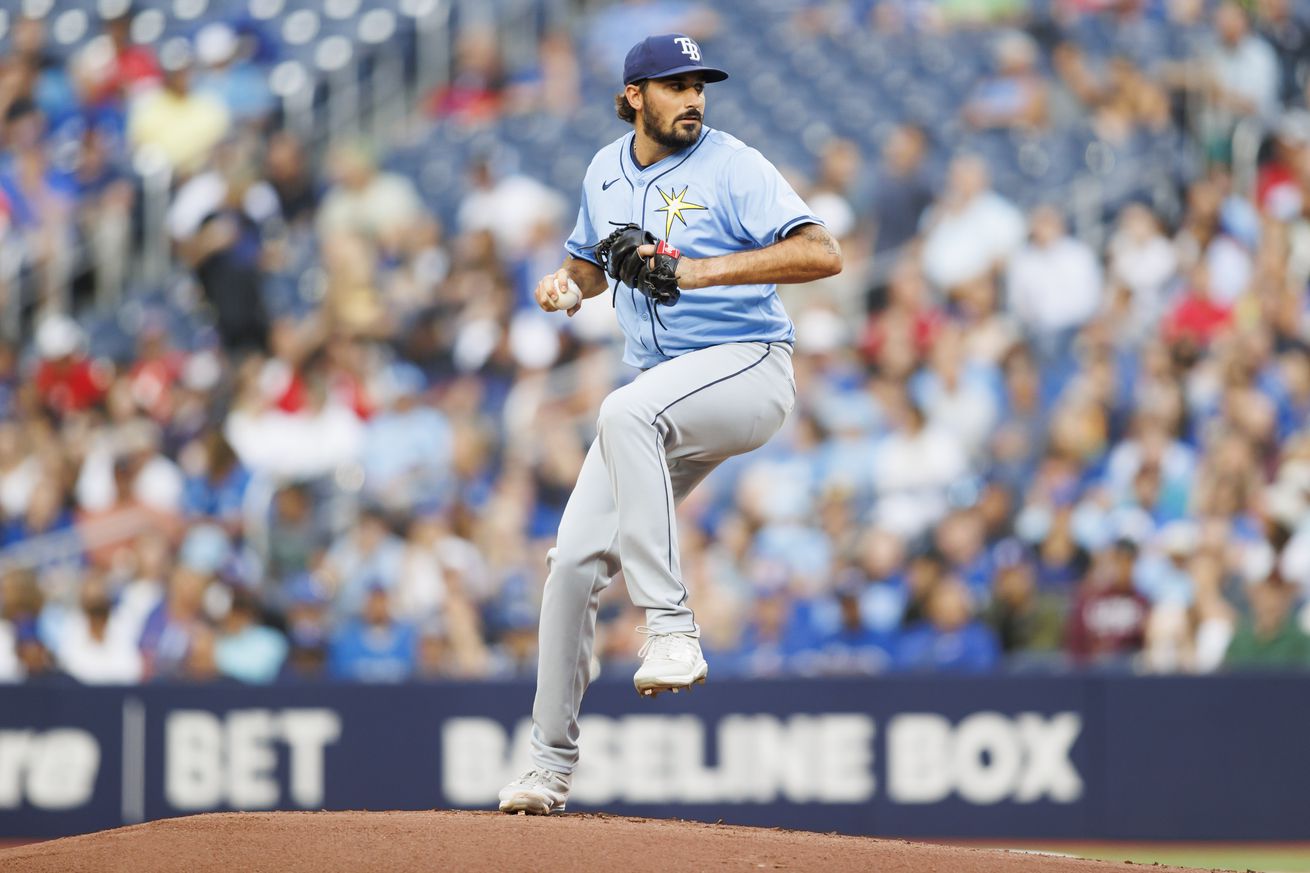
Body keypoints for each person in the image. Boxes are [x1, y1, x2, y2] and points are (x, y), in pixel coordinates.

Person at [497, 33, 841, 815]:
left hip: (748, 365)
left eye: (699, 84)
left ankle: (671, 625)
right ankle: (548, 767)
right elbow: (593, 260)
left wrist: (700, 267)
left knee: (624, 410)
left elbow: (823, 251)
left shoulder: (732, 162)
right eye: (674, 84)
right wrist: (567, 283)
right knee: (573, 562)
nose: (692, 98)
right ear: (632, 98)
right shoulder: (604, 169)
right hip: (659, 391)